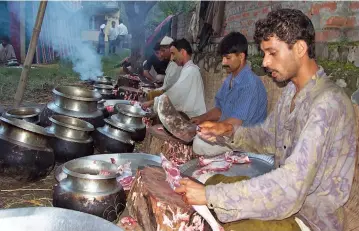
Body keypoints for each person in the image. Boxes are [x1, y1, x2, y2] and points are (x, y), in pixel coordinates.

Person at [175, 9, 356, 231]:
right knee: (207, 182)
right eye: (264, 54)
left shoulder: (327, 103)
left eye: (272, 53)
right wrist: (227, 131)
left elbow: (291, 186)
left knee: (218, 211)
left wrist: (210, 196)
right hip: (285, 199)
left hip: (308, 217)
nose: (266, 62)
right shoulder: (291, 91)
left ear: (300, 48)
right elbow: (267, 137)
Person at [191, 32, 268, 156]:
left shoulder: (250, 84)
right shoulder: (230, 79)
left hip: (245, 142)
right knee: (197, 135)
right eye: (223, 58)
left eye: (228, 58)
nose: (223, 62)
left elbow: (236, 122)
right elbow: (219, 109)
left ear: (241, 57)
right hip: (228, 132)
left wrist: (212, 128)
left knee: (199, 142)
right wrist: (201, 118)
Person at [143, 38, 206, 118]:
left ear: (182, 52)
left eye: (173, 54)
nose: (172, 58)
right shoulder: (187, 69)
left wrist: (153, 102)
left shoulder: (190, 71)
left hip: (192, 118)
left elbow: (174, 95)